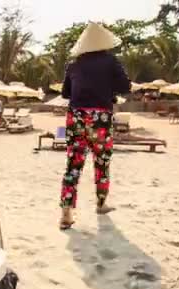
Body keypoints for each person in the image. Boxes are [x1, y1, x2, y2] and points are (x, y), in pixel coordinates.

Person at [59, 22, 131, 229]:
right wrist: (108, 92)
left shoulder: (73, 65)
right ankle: (101, 203)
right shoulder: (110, 61)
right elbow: (125, 86)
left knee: (73, 164)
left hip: (76, 116)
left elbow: (65, 93)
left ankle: (66, 211)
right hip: (100, 117)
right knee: (102, 161)